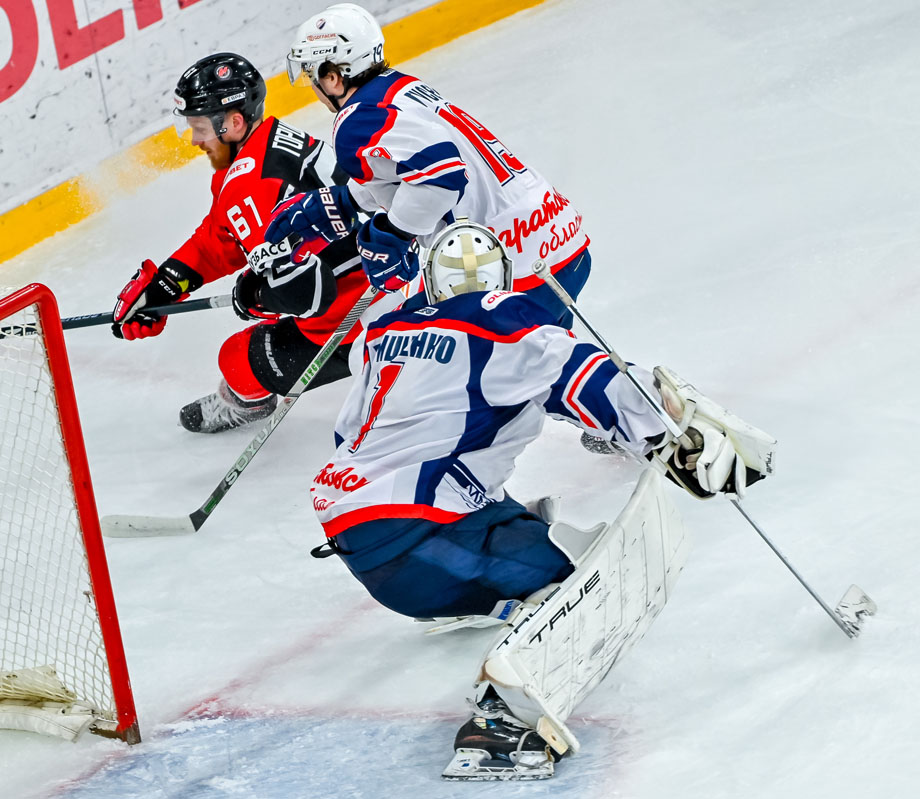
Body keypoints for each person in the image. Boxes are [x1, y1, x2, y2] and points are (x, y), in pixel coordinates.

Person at [307, 220, 773, 779]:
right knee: (587, 578)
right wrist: (667, 431)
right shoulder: (498, 316)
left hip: (359, 527)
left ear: (430, 282)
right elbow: (576, 370)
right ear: (501, 279)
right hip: (414, 541)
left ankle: (478, 579)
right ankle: (499, 720)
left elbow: (356, 434)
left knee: (491, 497)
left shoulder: (385, 333)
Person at [266, 3, 590, 329]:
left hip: (508, 265)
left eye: (313, 75)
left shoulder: (355, 120)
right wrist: (348, 201)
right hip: (558, 235)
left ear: (333, 77)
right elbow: (409, 165)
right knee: (539, 355)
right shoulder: (401, 86)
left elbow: (443, 176)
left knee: (393, 342)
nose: (313, 87)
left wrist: (394, 233)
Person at [112, 52, 373, 434]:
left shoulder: (249, 186)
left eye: (200, 127)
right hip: (392, 276)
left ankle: (247, 403)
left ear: (234, 123)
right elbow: (223, 238)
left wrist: (256, 295)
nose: (195, 140)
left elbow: (308, 295)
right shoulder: (270, 144)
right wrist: (165, 285)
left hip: (361, 319)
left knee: (237, 358)